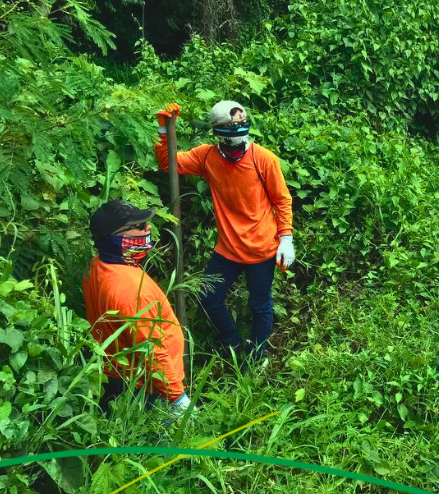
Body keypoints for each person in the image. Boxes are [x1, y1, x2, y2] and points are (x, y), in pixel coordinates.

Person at [155, 100, 294, 368]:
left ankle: (257, 358)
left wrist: (286, 238)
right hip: (228, 249)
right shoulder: (206, 157)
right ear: (218, 134)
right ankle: (233, 344)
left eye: (242, 129)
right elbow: (168, 163)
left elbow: (282, 199)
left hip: (261, 248)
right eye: (232, 131)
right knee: (209, 297)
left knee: (260, 304)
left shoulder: (263, 158)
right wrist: (164, 130)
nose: (238, 140)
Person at [83, 199, 193, 421]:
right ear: (118, 238)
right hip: (146, 390)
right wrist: (177, 398)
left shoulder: (99, 264)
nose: (148, 228)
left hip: (118, 376)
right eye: (140, 226)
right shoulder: (129, 290)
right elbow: (151, 351)